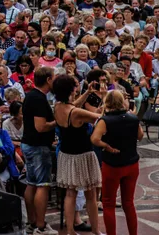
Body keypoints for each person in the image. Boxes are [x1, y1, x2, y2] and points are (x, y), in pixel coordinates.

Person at [52, 74, 103, 235]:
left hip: (66, 154)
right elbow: (100, 118)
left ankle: (70, 231)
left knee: (70, 193)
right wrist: (105, 103)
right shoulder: (76, 113)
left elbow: (73, 105)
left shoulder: (58, 106)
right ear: (70, 90)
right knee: (91, 195)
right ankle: (96, 231)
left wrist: (87, 93)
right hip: (83, 154)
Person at [91, 91, 142, 235]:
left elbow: (94, 139)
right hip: (132, 163)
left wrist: (106, 146)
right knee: (128, 202)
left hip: (112, 164)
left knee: (108, 203)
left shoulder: (105, 120)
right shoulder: (133, 118)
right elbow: (140, 136)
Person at [21, 67, 57, 235]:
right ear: (48, 80)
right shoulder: (39, 99)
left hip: (29, 144)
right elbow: (41, 127)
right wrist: (56, 121)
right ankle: (41, 226)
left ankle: (32, 221)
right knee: (42, 185)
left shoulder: (31, 96)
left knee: (31, 183)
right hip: (38, 146)